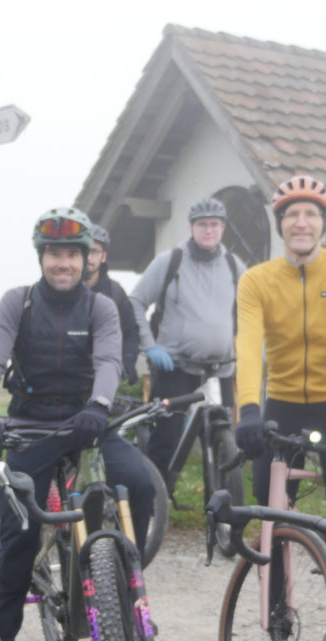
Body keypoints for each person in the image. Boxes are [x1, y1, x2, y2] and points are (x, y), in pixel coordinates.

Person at [0, 207, 156, 641]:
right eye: (54, 254)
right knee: (18, 539)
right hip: (30, 428)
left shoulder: (101, 307)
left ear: (87, 257)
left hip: (86, 425)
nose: (64, 263)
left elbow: (110, 360)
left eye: (73, 254)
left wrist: (99, 404)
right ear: (42, 258)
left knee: (139, 483)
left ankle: (117, 581)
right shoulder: (18, 303)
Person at [234, 177, 326, 516]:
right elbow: (249, 347)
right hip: (282, 403)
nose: (301, 223)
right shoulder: (256, 280)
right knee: (268, 501)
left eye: (311, 214)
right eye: (292, 215)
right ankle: (283, 551)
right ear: (280, 224)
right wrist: (249, 410)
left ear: (322, 223)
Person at [130, 196, 244, 475]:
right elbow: (135, 303)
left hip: (219, 371)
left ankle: (221, 500)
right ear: (192, 227)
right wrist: (150, 347)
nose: (208, 230)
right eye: (202, 224)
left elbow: (254, 309)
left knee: (220, 438)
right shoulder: (171, 261)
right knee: (165, 440)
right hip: (176, 369)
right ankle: (156, 496)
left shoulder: (234, 265)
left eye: (214, 224)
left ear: (223, 228)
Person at [83, 223, 140, 383]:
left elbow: (130, 332)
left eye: (94, 251)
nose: (88, 258)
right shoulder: (61, 291)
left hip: (105, 377)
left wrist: (127, 362)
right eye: (84, 250)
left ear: (103, 256)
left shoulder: (115, 293)